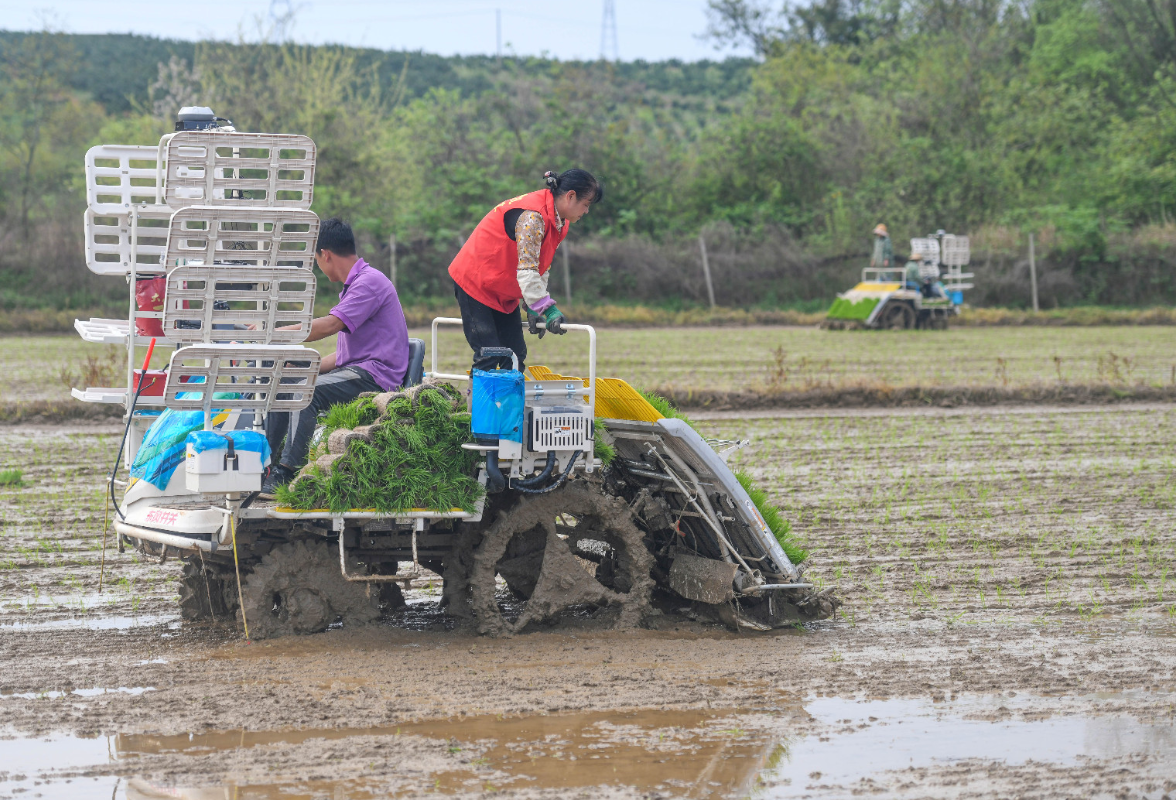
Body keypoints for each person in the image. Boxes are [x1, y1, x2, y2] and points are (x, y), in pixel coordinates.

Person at [260, 218, 410, 496]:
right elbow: (344, 357)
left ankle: (286, 471)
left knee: (307, 392)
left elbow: (329, 326)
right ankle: (266, 464)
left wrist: (272, 332)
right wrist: (303, 366)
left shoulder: (369, 283)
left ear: (325, 254)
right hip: (359, 371)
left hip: (377, 378)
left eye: (316, 259)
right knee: (285, 380)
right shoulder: (356, 285)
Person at [448, 169, 603, 372]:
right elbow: (528, 271)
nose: (586, 211)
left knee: (514, 355)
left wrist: (533, 305)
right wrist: (547, 309)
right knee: (489, 353)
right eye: (586, 204)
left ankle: (509, 405)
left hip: (502, 287)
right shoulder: (533, 217)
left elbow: (541, 266)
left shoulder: (560, 222)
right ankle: (476, 405)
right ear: (570, 196)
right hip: (475, 282)